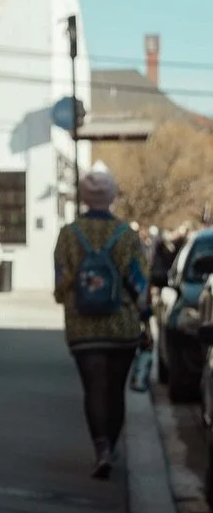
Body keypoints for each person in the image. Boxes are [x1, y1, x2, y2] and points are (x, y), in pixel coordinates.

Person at [53, 170, 150, 479]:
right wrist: (143, 316)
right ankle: (112, 443)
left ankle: (101, 449)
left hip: (83, 327)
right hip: (121, 327)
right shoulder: (127, 235)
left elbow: (60, 285)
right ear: (112, 197)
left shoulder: (68, 234)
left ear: (83, 197)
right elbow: (139, 283)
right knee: (115, 390)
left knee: (94, 388)